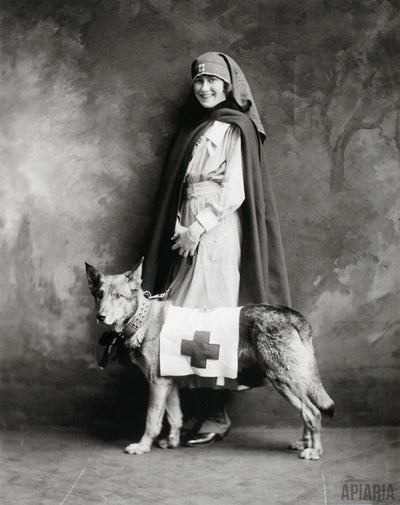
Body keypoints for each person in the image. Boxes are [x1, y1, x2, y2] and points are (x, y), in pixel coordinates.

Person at [141, 52, 291, 446]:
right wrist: (180, 227)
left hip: (217, 229)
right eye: (199, 81)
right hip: (188, 225)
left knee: (216, 317)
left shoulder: (234, 127)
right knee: (181, 318)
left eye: (213, 81)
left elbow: (234, 191)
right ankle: (187, 414)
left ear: (228, 85)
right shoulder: (196, 128)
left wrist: (198, 228)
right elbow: (181, 188)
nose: (205, 88)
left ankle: (218, 415)